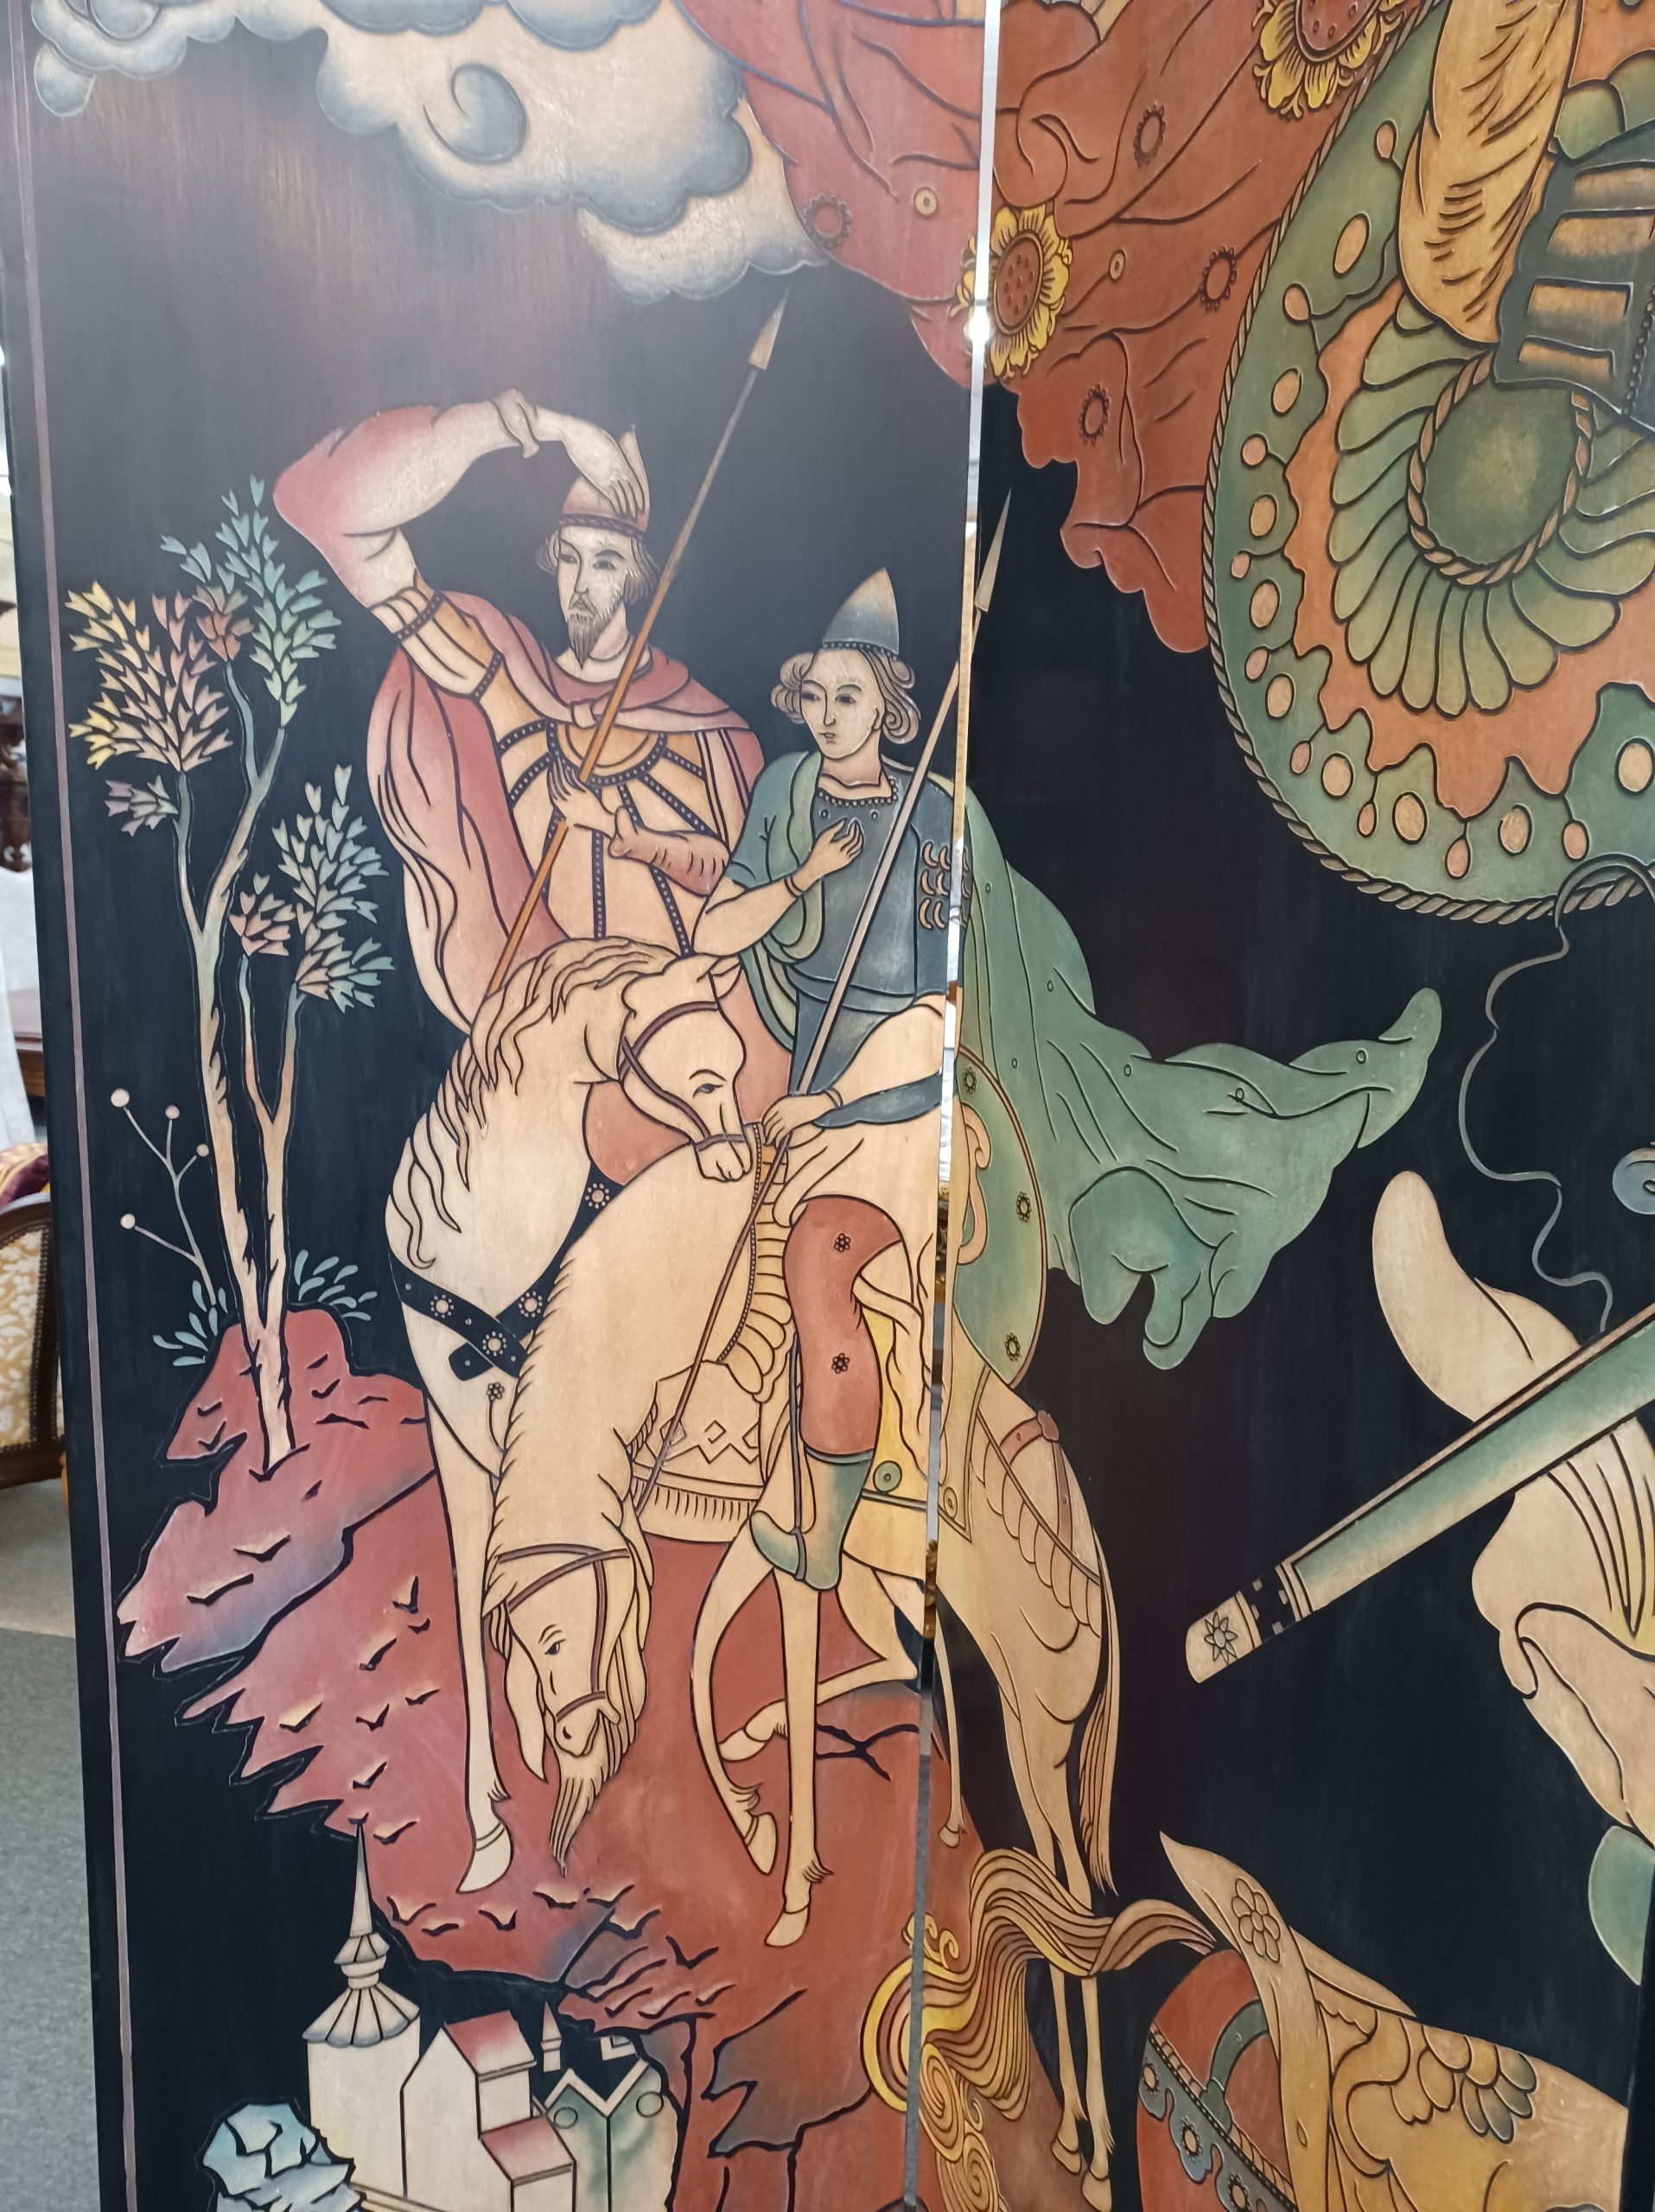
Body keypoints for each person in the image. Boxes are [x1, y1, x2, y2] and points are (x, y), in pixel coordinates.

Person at [276, 397, 764, 1030]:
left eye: (605, 562)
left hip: (689, 1035)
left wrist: (626, 834)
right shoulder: (509, 686)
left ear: (637, 578)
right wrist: (546, 426)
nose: (581, 583)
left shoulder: (707, 731)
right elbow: (322, 503)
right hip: (543, 1040)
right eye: (570, 557)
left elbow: (737, 884)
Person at [695, 570, 955, 1588]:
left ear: (887, 706)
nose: (828, 714)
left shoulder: (932, 815)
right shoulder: (785, 792)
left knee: (815, 1258)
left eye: (849, 696)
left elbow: (939, 1013)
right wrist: (801, 876)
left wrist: (840, 1103)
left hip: (897, 1097)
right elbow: (715, 932)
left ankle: (823, 1538)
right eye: (814, 694)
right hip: (805, 1070)